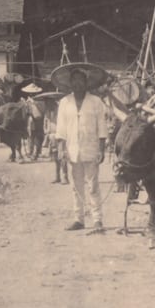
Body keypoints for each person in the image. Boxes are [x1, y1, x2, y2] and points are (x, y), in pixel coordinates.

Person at [55, 69, 107, 233]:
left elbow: (102, 127)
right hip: (72, 149)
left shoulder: (96, 101)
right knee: (76, 187)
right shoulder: (65, 102)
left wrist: (102, 149)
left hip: (91, 148)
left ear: (86, 82)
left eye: (81, 80)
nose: (77, 83)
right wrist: (61, 148)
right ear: (70, 83)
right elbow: (61, 128)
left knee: (93, 186)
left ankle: (97, 220)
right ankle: (79, 219)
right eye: (74, 80)